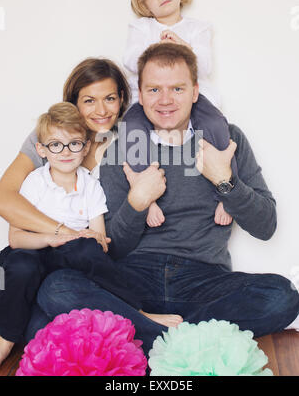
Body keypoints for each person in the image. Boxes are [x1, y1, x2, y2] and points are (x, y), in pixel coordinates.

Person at [36, 43, 299, 358]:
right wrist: (137, 202)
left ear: (195, 92)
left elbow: (266, 226)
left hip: (204, 279)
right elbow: (113, 247)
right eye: (154, 89)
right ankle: (181, 338)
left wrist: (224, 181)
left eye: (177, 88)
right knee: (57, 287)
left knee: (282, 295)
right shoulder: (121, 149)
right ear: (141, 94)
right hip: (133, 280)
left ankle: (151, 337)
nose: (165, 100)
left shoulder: (227, 140)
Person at [0, 57, 182, 364]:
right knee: (35, 327)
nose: (100, 111)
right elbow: (5, 199)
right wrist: (60, 233)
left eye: (109, 99)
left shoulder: (130, 141)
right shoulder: (51, 137)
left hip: (85, 265)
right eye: (89, 101)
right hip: (41, 253)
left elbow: (105, 242)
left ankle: (147, 327)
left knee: (60, 314)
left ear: (122, 99)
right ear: (74, 103)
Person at [122, 0, 235, 227]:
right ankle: (145, 195)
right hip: (147, 102)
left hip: (193, 101)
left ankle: (225, 191)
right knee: (131, 128)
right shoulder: (141, 29)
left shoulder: (197, 29)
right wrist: (157, 48)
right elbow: (129, 60)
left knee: (217, 126)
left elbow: (205, 66)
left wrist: (184, 48)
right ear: (144, 5)